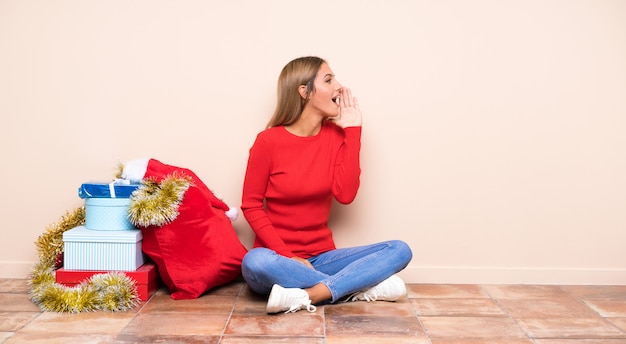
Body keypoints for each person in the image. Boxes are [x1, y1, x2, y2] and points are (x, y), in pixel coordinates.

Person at [240, 56, 412, 314]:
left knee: (399, 250)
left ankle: (312, 294)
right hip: (278, 261)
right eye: (329, 80)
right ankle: (355, 288)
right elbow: (251, 205)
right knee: (254, 261)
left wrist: (353, 131)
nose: (339, 86)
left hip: (323, 258)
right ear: (304, 91)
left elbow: (345, 195)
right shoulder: (268, 142)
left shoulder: (337, 137)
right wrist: (288, 256)